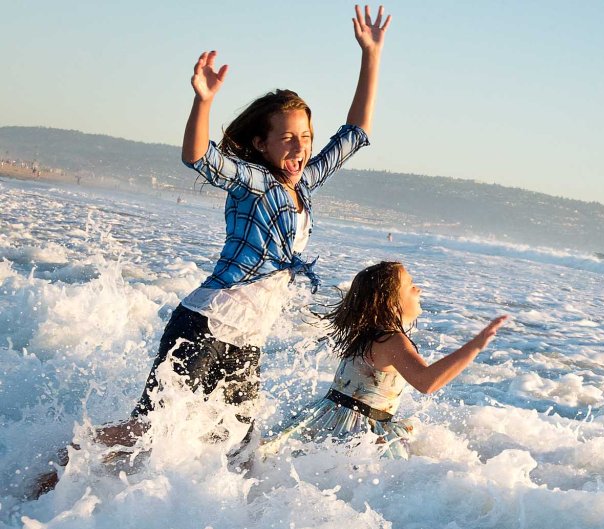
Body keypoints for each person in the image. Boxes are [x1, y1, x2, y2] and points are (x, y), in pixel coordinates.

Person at [31, 5, 391, 497]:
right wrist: (202, 101)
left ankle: (223, 524)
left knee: (240, 447)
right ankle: (57, 468)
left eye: (305, 137)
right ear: (261, 143)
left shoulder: (303, 184)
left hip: (247, 338)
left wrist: (371, 56)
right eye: (287, 138)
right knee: (149, 430)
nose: (299, 147)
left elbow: (355, 133)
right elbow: (199, 157)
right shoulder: (254, 183)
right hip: (206, 323)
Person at [230, 261, 507, 464]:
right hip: (355, 431)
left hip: (327, 417)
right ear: (391, 302)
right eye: (411, 286)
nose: (418, 289)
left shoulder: (367, 334)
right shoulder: (392, 339)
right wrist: (475, 346)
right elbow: (427, 382)